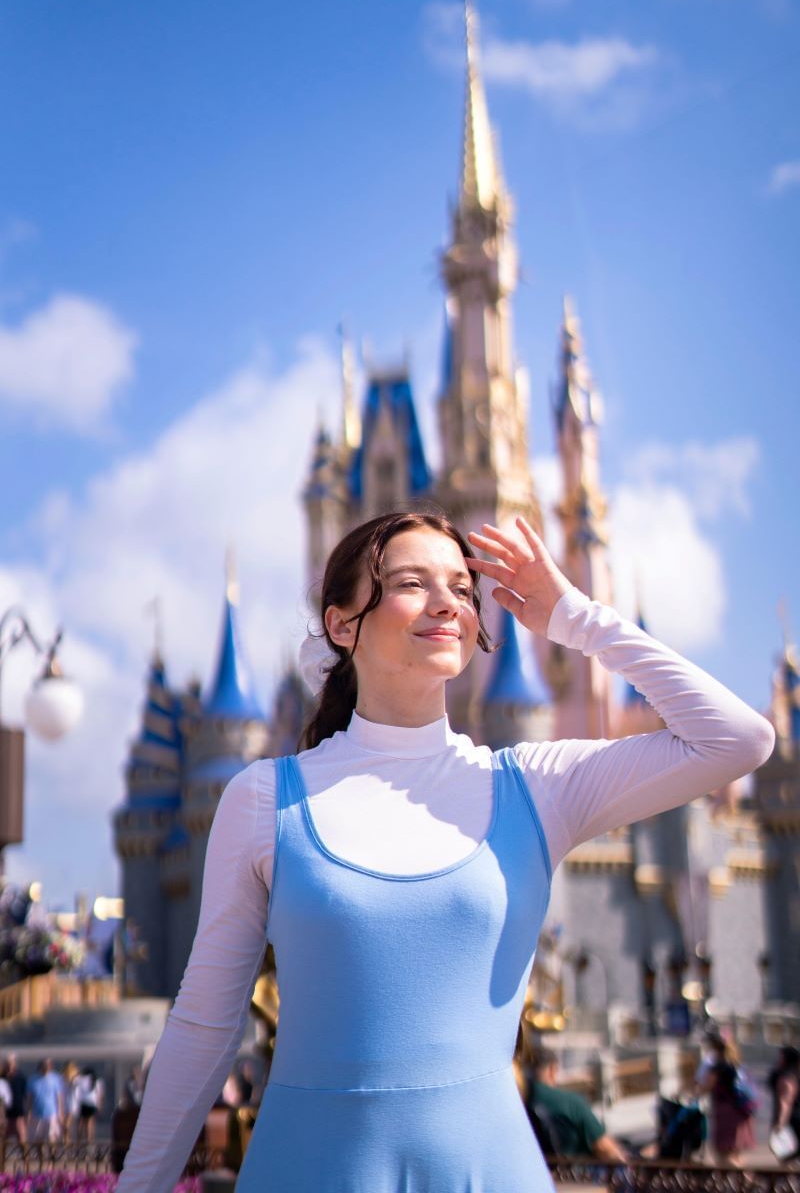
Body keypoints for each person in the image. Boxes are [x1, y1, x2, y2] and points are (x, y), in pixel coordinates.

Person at [115, 511, 775, 1192]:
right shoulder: (265, 801)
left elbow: (738, 740)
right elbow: (205, 1024)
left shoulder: (534, 786)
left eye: (463, 588)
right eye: (412, 582)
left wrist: (573, 617)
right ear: (343, 626)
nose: (447, 603)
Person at [528, 1048, 628, 1163]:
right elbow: (605, 1149)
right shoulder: (571, 1103)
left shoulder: (520, 1103)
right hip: (574, 1176)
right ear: (552, 1070)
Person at [699, 1035, 756, 1165]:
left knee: (724, 1154)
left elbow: (706, 1087)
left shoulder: (718, 1068)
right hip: (741, 1113)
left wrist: (690, 1093)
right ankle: (745, 1182)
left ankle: (747, 1179)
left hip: (726, 1115)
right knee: (735, 1154)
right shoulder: (737, 1066)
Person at [767, 1046, 800, 1163]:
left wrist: (780, 1124)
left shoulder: (786, 1077)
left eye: (781, 1056)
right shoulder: (795, 1075)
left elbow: (785, 1102)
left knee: (787, 1160)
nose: (778, 1059)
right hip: (795, 1120)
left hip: (791, 1122)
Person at [27, 1058, 64, 1144]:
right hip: (37, 1113)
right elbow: (29, 1097)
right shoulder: (32, 1080)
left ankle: (52, 1155)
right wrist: (28, 1111)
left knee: (52, 1136)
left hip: (51, 1113)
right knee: (38, 1137)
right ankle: (41, 1157)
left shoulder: (55, 1079)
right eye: (44, 1066)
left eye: (48, 1065)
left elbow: (58, 1096)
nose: (46, 1068)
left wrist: (60, 1112)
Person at [75, 1066, 104, 1144]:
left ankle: (79, 1140)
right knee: (90, 1124)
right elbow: (100, 1095)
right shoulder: (97, 1081)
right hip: (92, 1104)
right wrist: (100, 1106)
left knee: (81, 1123)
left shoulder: (81, 1079)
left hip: (83, 1103)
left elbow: (75, 1082)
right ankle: (89, 1140)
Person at [3, 1053, 28, 1143]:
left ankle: (26, 1157)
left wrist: (26, 1113)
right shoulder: (2, 1078)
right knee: (3, 1141)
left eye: (11, 1063)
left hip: (18, 1114)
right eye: (8, 1063)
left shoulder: (20, 1077)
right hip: (5, 1116)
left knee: (22, 1140)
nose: (10, 1065)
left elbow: (26, 1096)